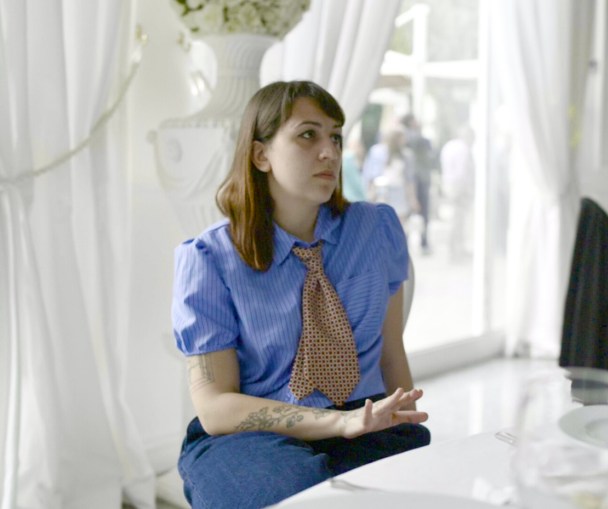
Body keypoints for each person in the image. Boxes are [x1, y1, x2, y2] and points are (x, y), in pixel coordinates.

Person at [172, 80, 430, 509]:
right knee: (302, 494)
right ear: (261, 155)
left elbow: (390, 355)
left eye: (336, 137)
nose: (329, 152)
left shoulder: (376, 229)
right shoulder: (209, 259)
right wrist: (337, 423)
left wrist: (404, 426)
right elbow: (215, 408)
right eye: (308, 135)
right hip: (248, 437)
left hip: (363, 421)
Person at [362, 126, 419, 229]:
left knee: (398, 224)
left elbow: (409, 180)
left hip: (399, 193)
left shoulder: (406, 155)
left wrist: (412, 199)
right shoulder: (378, 152)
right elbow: (371, 175)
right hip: (382, 192)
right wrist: (370, 193)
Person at [401, 114, 435, 254]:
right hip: (419, 179)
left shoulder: (405, 139)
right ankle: (423, 241)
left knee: (408, 212)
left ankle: (407, 240)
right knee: (422, 211)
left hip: (411, 179)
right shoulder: (420, 140)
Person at [440, 125, 475, 260]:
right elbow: (462, 172)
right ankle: (455, 250)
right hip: (459, 188)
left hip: (449, 185)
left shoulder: (449, 146)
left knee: (454, 219)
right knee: (458, 220)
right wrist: (465, 190)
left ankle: (454, 249)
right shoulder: (463, 149)